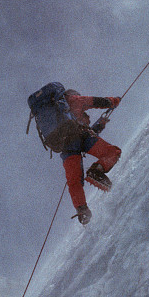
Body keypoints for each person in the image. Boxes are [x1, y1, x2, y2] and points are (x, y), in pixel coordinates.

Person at [61, 90, 121, 224]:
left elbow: (88, 131)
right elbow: (97, 101)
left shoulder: (56, 118)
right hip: (81, 137)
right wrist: (114, 101)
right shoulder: (74, 100)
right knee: (113, 152)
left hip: (67, 148)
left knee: (74, 181)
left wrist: (99, 124)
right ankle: (97, 170)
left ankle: (82, 209)